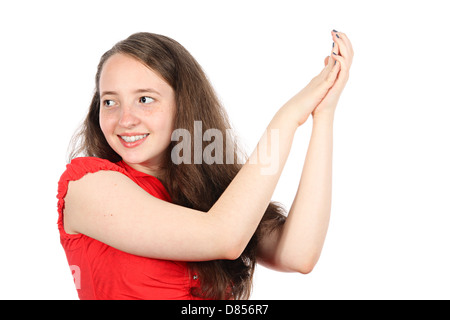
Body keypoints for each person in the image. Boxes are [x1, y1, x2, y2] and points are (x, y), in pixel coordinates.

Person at [57, 30, 353, 300]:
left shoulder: (213, 195)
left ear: (183, 106)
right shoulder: (87, 185)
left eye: (145, 99)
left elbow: (298, 254)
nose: (125, 119)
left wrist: (322, 115)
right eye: (110, 102)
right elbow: (224, 237)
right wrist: (288, 118)